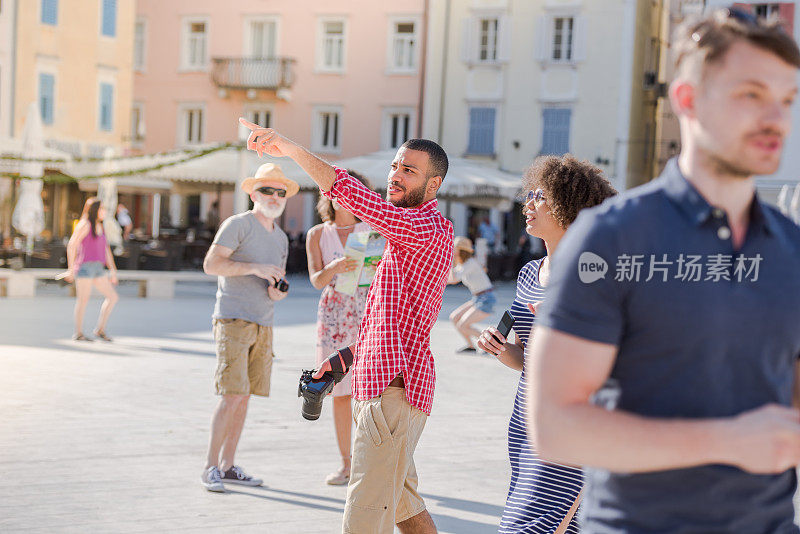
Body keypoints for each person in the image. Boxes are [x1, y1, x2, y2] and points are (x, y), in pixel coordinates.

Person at [528, 9, 800, 533]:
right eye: (752, 94)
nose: (777, 119)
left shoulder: (791, 249)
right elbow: (556, 428)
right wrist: (727, 439)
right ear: (687, 100)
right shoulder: (609, 238)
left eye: (787, 100)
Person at [241, 117, 452, 534]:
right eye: (395, 165)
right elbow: (390, 320)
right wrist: (343, 359)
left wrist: (289, 148)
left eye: (409, 170)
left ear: (433, 186)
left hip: (393, 392)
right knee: (404, 506)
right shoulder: (407, 233)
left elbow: (353, 195)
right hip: (382, 385)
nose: (395, 175)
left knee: (364, 516)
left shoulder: (421, 227)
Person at [477, 156, 616, 534]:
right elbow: (528, 359)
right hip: (526, 424)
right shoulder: (528, 274)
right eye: (530, 195)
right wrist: (502, 350)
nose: (529, 204)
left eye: (541, 196)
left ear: (570, 207)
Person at [200, 162, 293, 493]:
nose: (274, 196)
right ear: (254, 193)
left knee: (244, 397)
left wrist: (276, 290)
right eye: (267, 190)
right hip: (233, 318)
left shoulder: (281, 237)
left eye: (280, 191)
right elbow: (211, 265)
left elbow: (274, 285)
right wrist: (254, 267)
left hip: (264, 322)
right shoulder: (237, 224)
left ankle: (228, 466)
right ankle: (211, 466)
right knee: (232, 395)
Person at [306, 170, 373, 486]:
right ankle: (346, 465)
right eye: (337, 189)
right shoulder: (318, 234)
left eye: (351, 189)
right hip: (334, 314)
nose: (343, 194)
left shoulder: (373, 229)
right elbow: (316, 280)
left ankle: (368, 463)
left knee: (370, 391)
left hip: (367, 311)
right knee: (339, 392)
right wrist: (334, 267)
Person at [63, 197, 119, 342]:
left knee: (112, 297)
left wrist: (113, 270)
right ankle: (79, 333)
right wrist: (70, 269)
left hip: (98, 268)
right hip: (85, 268)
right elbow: (72, 245)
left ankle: (100, 329)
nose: (105, 211)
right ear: (95, 210)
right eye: (102, 208)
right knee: (83, 301)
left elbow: (106, 250)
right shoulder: (85, 224)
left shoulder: (100, 226)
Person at [447, 236, 495, 353]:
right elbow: (450, 279)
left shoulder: (470, 263)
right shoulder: (463, 264)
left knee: (463, 325)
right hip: (478, 297)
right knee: (454, 318)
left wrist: (451, 262)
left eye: (454, 249)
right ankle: (471, 346)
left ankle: (489, 345)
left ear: (459, 251)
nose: (452, 251)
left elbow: (454, 279)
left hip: (486, 298)